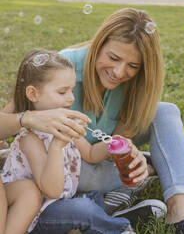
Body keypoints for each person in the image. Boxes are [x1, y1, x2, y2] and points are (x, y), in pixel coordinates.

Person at [0, 8, 184, 234]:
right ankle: (158, 165)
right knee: (86, 190)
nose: (118, 72)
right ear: (99, 45)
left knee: (165, 111)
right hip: (67, 167)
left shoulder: (137, 82)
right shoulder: (61, 69)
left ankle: (179, 212)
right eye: (113, 58)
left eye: (132, 66)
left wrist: (123, 150)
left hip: (90, 150)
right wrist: (29, 118)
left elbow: (108, 142)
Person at [1, 48, 139, 234]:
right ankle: (120, 228)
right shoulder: (30, 139)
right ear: (33, 94)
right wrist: (57, 147)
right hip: (38, 213)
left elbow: (90, 154)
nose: (71, 98)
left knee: (93, 199)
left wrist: (112, 143)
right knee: (84, 209)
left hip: (61, 203)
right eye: (62, 92)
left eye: (72, 90)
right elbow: (52, 191)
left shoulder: (66, 125)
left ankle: (105, 217)